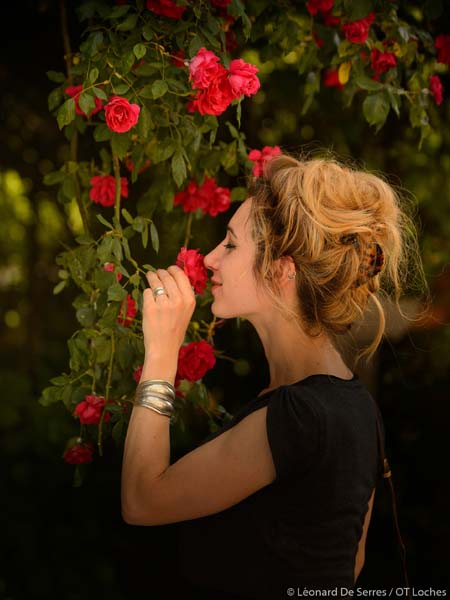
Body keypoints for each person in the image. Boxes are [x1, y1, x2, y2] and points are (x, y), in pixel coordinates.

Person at [121, 153, 425, 599]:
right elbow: (348, 563)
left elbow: (142, 500)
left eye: (229, 244)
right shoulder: (354, 405)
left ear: (282, 270)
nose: (208, 259)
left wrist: (163, 352)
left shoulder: (297, 415)